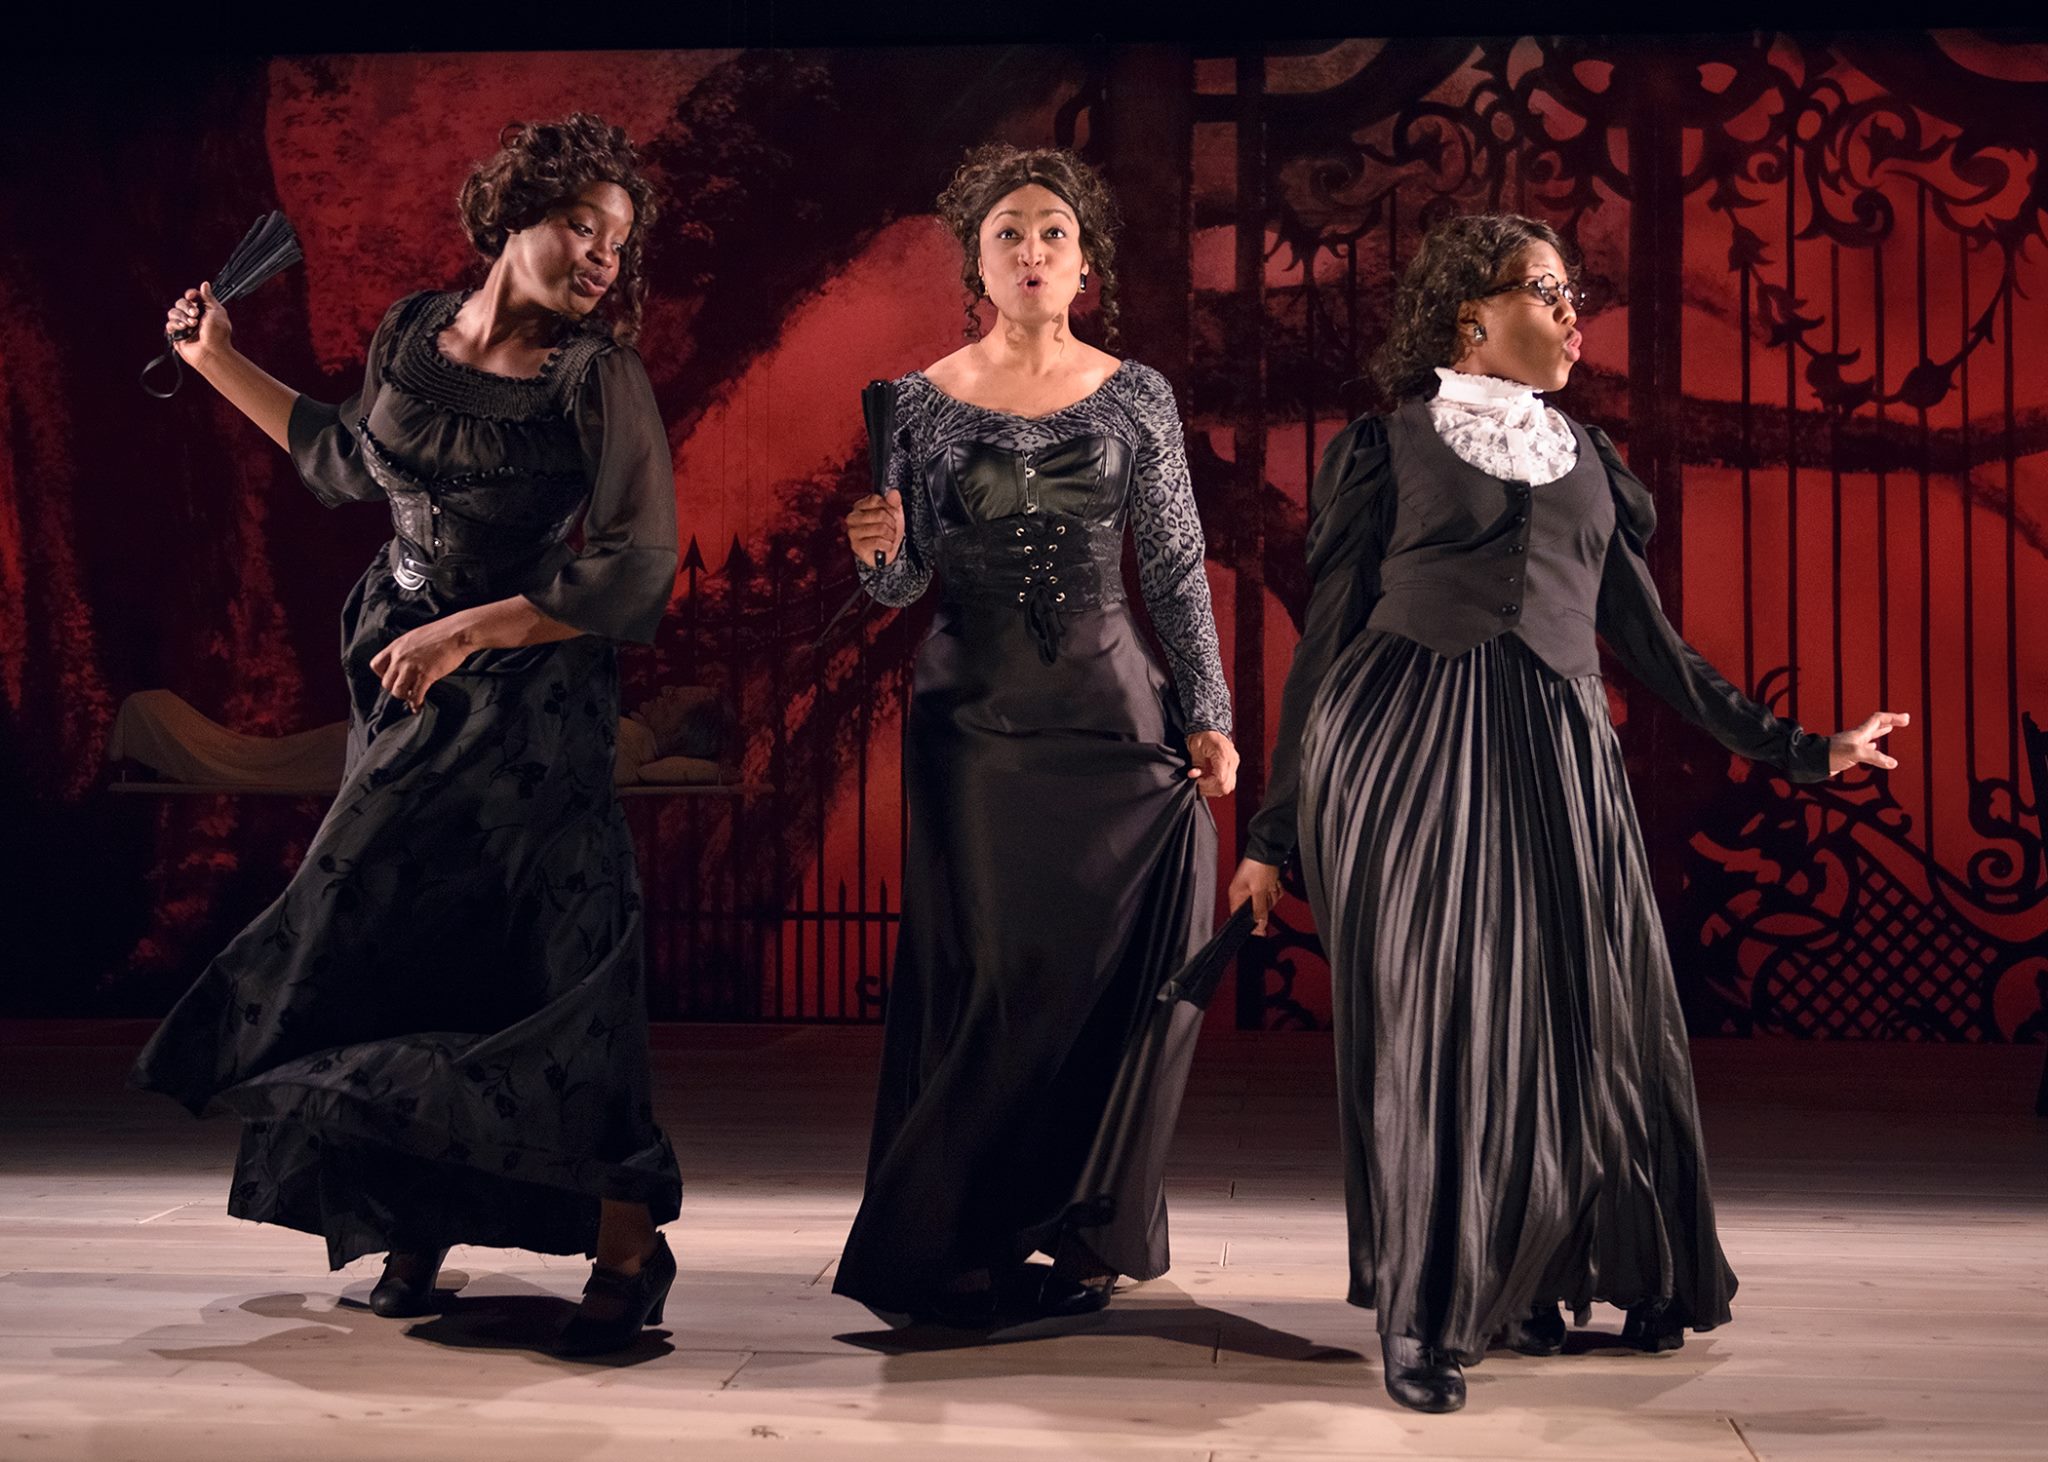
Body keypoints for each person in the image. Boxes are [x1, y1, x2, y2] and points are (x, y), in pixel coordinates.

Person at [1228, 213, 1908, 1412]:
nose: (1568, 313)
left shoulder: (1585, 457)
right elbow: (1322, 646)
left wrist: (1805, 751)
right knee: (1442, 1019)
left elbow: (1654, 647)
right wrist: (1272, 837)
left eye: (1568, 292)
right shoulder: (1386, 447)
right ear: (1469, 317)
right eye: (1541, 291)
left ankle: (1540, 1277)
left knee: (1584, 1014)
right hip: (1406, 746)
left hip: (1555, 752)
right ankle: (1424, 1314)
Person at [132, 114, 683, 1356]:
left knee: (554, 956)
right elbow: (344, 459)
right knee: (395, 938)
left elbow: (633, 567)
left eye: (617, 243)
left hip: (527, 695)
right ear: (513, 217)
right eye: (582, 228)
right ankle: (417, 1211)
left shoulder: (594, 377)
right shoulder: (409, 333)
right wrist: (217, 360)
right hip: (400, 673)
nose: (603, 259)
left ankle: (626, 1242)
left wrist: (466, 634)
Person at [833, 143, 1238, 1324]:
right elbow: (900, 583)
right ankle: (951, 1231)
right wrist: (873, 554)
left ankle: (1075, 1222)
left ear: (1083, 260)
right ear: (975, 260)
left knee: (1103, 972)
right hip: (973, 717)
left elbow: (1174, 567)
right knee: (993, 974)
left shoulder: (1135, 393)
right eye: (1006, 231)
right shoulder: (913, 399)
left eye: (1051, 231)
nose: (1030, 249)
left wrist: (1206, 711)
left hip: (1109, 710)